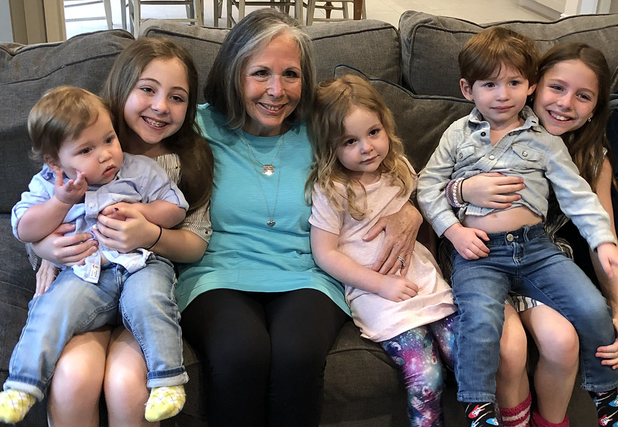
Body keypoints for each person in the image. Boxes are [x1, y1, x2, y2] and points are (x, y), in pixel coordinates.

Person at [173, 9, 420, 427]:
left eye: (290, 74)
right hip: (217, 273)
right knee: (240, 353)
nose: (276, 90)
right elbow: (113, 160)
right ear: (234, 73)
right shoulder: (197, 125)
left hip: (308, 273)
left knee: (298, 355)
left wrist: (409, 209)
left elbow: (389, 163)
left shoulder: (322, 126)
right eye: (260, 73)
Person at [416, 27, 618, 427]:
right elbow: (427, 184)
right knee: (485, 324)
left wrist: (605, 241)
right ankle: (479, 406)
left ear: (527, 86)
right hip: (478, 250)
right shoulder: (459, 133)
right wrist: (454, 222)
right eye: (490, 84)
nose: (503, 94)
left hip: (538, 249)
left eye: (513, 83)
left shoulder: (551, 143)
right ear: (467, 89)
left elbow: (582, 200)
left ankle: (606, 393)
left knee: (590, 311)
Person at [28, 38, 214, 427]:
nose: (161, 106)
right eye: (147, 89)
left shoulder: (186, 162)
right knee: (73, 379)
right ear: (121, 88)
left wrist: (149, 234)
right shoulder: (73, 142)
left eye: (177, 97)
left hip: (145, 290)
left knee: (128, 384)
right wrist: (45, 249)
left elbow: (196, 242)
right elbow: (36, 216)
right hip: (84, 286)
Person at [0, 86, 190, 424]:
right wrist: (61, 202)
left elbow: (176, 208)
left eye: (109, 140)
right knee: (52, 308)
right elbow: (24, 228)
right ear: (55, 161)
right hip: (86, 272)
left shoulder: (139, 170)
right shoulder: (48, 186)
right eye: (86, 150)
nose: (105, 156)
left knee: (150, 303)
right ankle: (22, 385)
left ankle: (168, 381)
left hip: (141, 264)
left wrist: (144, 214)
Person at [307, 74, 457, 427]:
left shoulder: (400, 168)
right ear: (330, 147)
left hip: (424, 281)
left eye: (374, 132)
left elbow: (423, 214)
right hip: (377, 294)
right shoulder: (332, 189)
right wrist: (380, 285)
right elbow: (325, 253)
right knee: (426, 377)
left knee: (468, 355)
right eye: (350, 141)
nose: (367, 148)